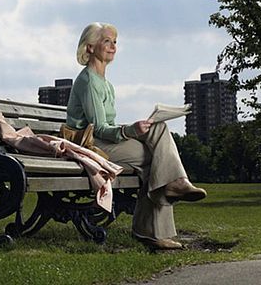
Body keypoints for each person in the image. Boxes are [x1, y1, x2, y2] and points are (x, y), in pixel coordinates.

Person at [66, 22, 207, 250]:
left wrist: (137, 128)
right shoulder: (88, 81)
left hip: (103, 141)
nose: (112, 46)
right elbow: (99, 129)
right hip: (90, 145)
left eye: (115, 42)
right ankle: (151, 228)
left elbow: (108, 125)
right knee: (155, 161)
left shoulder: (106, 84)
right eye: (106, 41)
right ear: (90, 47)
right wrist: (130, 130)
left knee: (159, 130)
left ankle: (175, 186)